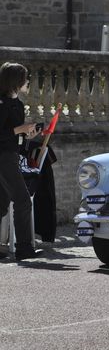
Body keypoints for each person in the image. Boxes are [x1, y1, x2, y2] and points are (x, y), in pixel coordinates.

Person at [0, 62, 43, 260]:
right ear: (16, 81)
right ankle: (24, 248)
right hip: (3, 156)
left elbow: (16, 135)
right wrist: (19, 130)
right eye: (25, 78)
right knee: (23, 200)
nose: (28, 82)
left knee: (1, 202)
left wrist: (29, 135)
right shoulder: (1, 103)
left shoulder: (18, 104)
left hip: (11, 154)